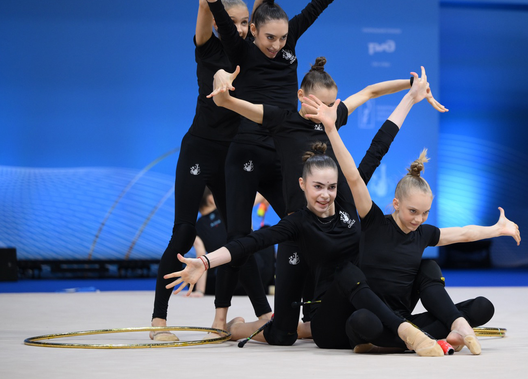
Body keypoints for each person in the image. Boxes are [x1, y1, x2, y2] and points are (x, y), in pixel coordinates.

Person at [166, 71, 450, 356]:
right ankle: (238, 327)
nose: (323, 111)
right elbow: (253, 241)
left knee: (328, 319)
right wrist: (204, 262)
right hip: (300, 238)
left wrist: (411, 91)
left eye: (330, 105)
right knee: (283, 335)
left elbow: (376, 133)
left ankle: (316, 326)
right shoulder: (285, 126)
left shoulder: (348, 192)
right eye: (318, 187)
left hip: (335, 263)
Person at [192, 0, 385, 333]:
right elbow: (218, 12)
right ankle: (221, 317)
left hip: (282, 148)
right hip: (247, 149)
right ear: (254, 31)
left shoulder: (289, 40)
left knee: (306, 223)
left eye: (282, 38)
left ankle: (311, 310)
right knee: (239, 233)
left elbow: (322, 0)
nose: (276, 45)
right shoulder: (240, 47)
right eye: (270, 38)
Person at [150, 0, 307, 341]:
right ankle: (159, 320)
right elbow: (207, 8)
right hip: (202, 147)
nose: (238, 28)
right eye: (232, 22)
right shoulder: (207, 47)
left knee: (239, 238)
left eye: (243, 23)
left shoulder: (252, 51)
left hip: (235, 153)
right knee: (185, 231)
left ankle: (254, 315)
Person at [303, 81, 520, 354]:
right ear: (396, 204)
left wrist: (497, 228)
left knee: (477, 304)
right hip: (356, 320)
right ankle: (409, 335)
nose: (418, 219)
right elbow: (354, 177)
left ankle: (454, 325)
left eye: (425, 213)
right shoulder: (374, 221)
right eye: (413, 211)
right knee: (356, 299)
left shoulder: (423, 234)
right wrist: (331, 129)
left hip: (388, 325)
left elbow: (464, 233)